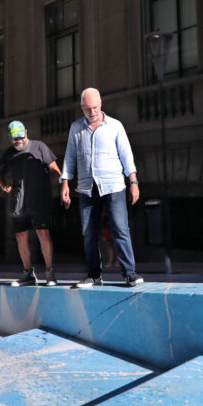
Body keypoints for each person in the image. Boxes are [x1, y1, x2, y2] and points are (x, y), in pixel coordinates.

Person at [60, 88, 143, 288]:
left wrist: (133, 182)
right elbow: (70, 157)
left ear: (101, 104)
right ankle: (94, 275)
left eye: (95, 107)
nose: (92, 112)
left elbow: (126, 155)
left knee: (120, 229)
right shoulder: (76, 128)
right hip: (87, 188)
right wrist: (65, 183)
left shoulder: (115, 126)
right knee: (89, 233)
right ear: (82, 107)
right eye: (87, 108)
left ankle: (129, 273)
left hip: (113, 185)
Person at [0, 120, 62, 286]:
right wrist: (4, 185)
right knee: (20, 236)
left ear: (26, 132)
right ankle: (28, 273)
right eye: (15, 139)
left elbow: (54, 168)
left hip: (40, 199)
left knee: (43, 234)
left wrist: (63, 186)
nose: (19, 141)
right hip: (19, 201)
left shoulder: (39, 147)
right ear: (10, 138)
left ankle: (50, 272)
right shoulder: (9, 153)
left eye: (20, 137)